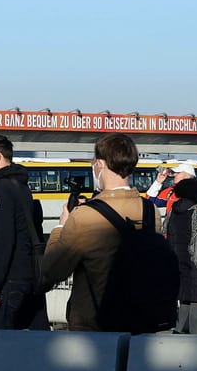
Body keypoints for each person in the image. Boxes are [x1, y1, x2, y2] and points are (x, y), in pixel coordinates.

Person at [42, 132, 166, 333]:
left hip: (94, 325)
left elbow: (52, 270)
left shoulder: (85, 215)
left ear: (99, 164)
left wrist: (61, 227)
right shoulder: (150, 211)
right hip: (140, 320)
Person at [0, 132, 48, 330]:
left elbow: (3, 240)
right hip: (28, 277)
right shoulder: (21, 186)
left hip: (9, 281)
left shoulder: (3, 189)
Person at [164, 176, 197, 333]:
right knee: (196, 298)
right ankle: (194, 334)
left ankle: (179, 329)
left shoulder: (173, 211)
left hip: (177, 259)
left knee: (184, 298)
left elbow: (168, 234)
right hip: (196, 261)